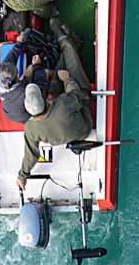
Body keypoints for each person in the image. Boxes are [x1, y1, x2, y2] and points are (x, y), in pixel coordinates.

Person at [15, 16, 93, 190]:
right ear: (44, 101)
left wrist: (22, 176)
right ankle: (67, 39)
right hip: (84, 123)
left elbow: (31, 155)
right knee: (69, 66)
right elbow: (77, 96)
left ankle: (70, 44)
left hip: (65, 133)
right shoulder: (63, 104)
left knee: (58, 73)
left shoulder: (31, 129)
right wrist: (68, 81)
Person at [0, 40, 49, 124]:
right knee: (46, 73)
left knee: (30, 67)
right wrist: (38, 65)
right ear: (17, 76)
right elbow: (41, 85)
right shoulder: (24, 90)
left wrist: (19, 43)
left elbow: (11, 57)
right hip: (30, 114)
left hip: (12, 111)